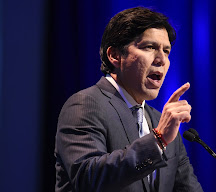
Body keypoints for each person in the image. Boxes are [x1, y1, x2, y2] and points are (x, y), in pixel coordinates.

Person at [55, 6, 203, 192]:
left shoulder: (161, 122)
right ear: (115, 56)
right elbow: (87, 179)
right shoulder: (85, 104)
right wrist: (157, 141)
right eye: (150, 47)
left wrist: (161, 137)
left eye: (166, 51)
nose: (162, 59)